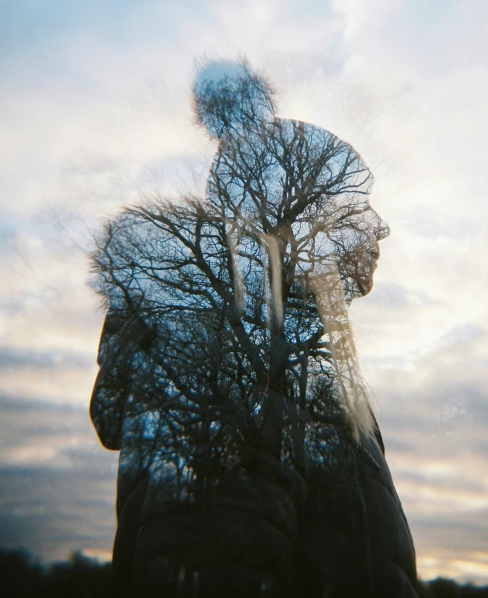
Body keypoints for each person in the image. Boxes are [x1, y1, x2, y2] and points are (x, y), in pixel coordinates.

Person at [90, 59, 418, 597]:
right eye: (351, 208)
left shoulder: (294, 361)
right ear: (295, 228)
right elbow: (213, 565)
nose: (379, 225)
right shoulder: (237, 364)